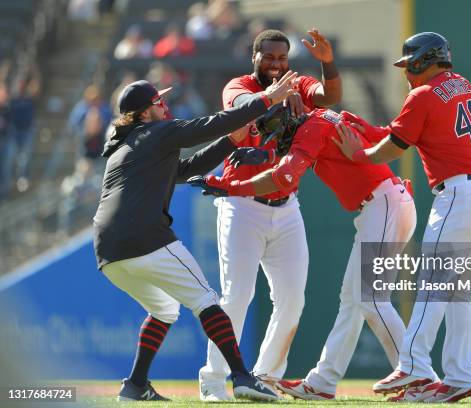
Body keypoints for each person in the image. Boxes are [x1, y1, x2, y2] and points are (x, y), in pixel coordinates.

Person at [92, 73, 297, 401]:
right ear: (146, 112)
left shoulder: (128, 145)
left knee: (164, 309)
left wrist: (231, 141)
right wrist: (266, 99)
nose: (164, 104)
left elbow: (185, 170)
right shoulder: (157, 131)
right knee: (206, 301)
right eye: (158, 101)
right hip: (144, 237)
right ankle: (242, 376)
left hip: (108, 251)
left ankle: (135, 385)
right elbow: (208, 125)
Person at [191, 105, 417, 400]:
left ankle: (415, 370)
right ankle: (323, 380)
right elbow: (378, 135)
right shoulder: (325, 117)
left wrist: (228, 186)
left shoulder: (310, 127)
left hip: (383, 203)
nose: (276, 138)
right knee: (352, 302)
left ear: (290, 118)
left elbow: (286, 175)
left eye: (277, 130)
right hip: (385, 203)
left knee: (370, 299)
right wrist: (269, 156)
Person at [333, 32, 471, 403]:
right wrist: (368, 132)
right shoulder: (460, 84)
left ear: (423, 61)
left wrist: (359, 155)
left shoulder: (423, 94)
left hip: (460, 197)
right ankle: (460, 375)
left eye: (409, 64)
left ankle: (413, 362)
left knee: (432, 284)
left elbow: (394, 147)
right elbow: (404, 133)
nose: (406, 73)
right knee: (457, 292)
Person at [197, 28, 342, 402]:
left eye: (282, 58)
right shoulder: (238, 84)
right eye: (269, 57)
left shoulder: (298, 82)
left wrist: (327, 64)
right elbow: (244, 106)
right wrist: (277, 98)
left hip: (286, 206)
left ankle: (264, 376)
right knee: (236, 297)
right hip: (242, 206)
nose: (276, 65)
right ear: (255, 57)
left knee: (293, 299)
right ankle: (213, 381)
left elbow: (331, 98)